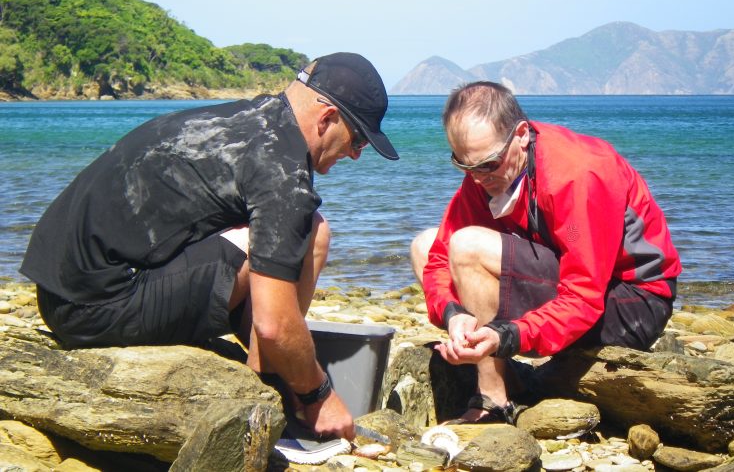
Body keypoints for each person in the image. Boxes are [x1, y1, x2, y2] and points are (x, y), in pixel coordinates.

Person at [21, 52, 398, 440]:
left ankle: (271, 381)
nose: (355, 153)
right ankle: (273, 399)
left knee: (310, 233)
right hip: (93, 309)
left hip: (60, 292)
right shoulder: (281, 170)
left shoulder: (245, 120)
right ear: (326, 117)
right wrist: (319, 394)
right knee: (302, 238)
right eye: (358, 140)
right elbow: (272, 324)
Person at [411, 81, 681, 424]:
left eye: (488, 164)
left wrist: (506, 336)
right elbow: (437, 256)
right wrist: (452, 314)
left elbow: (583, 295)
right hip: (581, 287)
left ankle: (494, 401)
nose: (477, 179)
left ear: (522, 134)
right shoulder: (486, 173)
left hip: (632, 303)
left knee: (468, 248)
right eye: (463, 165)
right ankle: (511, 379)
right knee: (424, 244)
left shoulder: (578, 174)